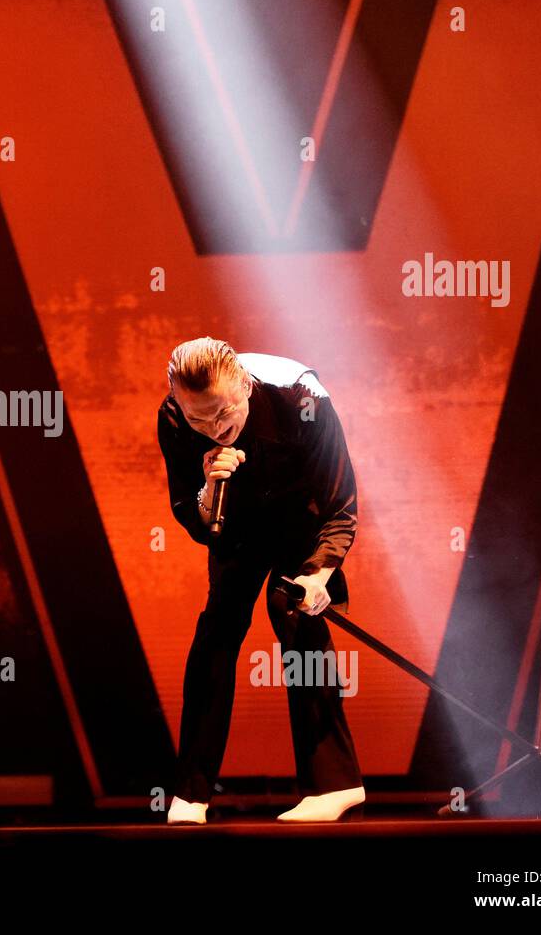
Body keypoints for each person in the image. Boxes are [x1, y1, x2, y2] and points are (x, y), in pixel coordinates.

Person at [156, 337, 365, 823]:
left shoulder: (302, 397)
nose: (214, 429)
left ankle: (336, 785)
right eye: (198, 421)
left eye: (223, 413)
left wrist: (319, 576)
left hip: (302, 515)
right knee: (217, 631)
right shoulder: (172, 417)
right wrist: (209, 487)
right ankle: (191, 793)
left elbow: (341, 506)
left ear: (246, 387)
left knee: (292, 614)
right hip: (237, 523)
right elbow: (193, 517)